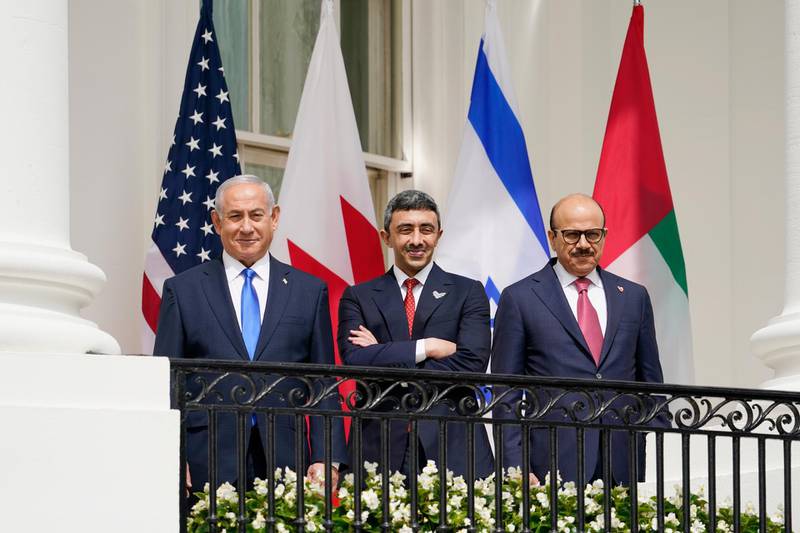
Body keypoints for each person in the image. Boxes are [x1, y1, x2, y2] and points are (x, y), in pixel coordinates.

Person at [154, 174, 347, 493]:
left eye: (256, 215)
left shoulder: (309, 291)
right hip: (207, 457)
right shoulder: (183, 290)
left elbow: (323, 380)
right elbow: (169, 380)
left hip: (287, 457)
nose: (246, 227)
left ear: (274, 218)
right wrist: (172, 452)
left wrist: (327, 456)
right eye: (234, 216)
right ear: (217, 222)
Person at [491, 193, 665, 485]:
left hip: (622, 460)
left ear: (604, 236)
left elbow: (651, 384)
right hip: (551, 462)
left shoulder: (634, 297)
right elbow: (505, 391)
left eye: (592, 234)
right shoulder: (520, 298)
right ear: (552, 237)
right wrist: (515, 466)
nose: (584, 244)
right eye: (572, 235)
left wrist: (662, 454)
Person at [338, 190, 494, 479]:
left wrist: (383, 354)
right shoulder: (358, 296)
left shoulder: (468, 292)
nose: (417, 240)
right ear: (386, 237)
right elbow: (354, 360)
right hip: (378, 446)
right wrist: (427, 347)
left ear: (439, 234)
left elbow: (472, 364)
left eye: (426, 229)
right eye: (405, 230)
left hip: (453, 445)